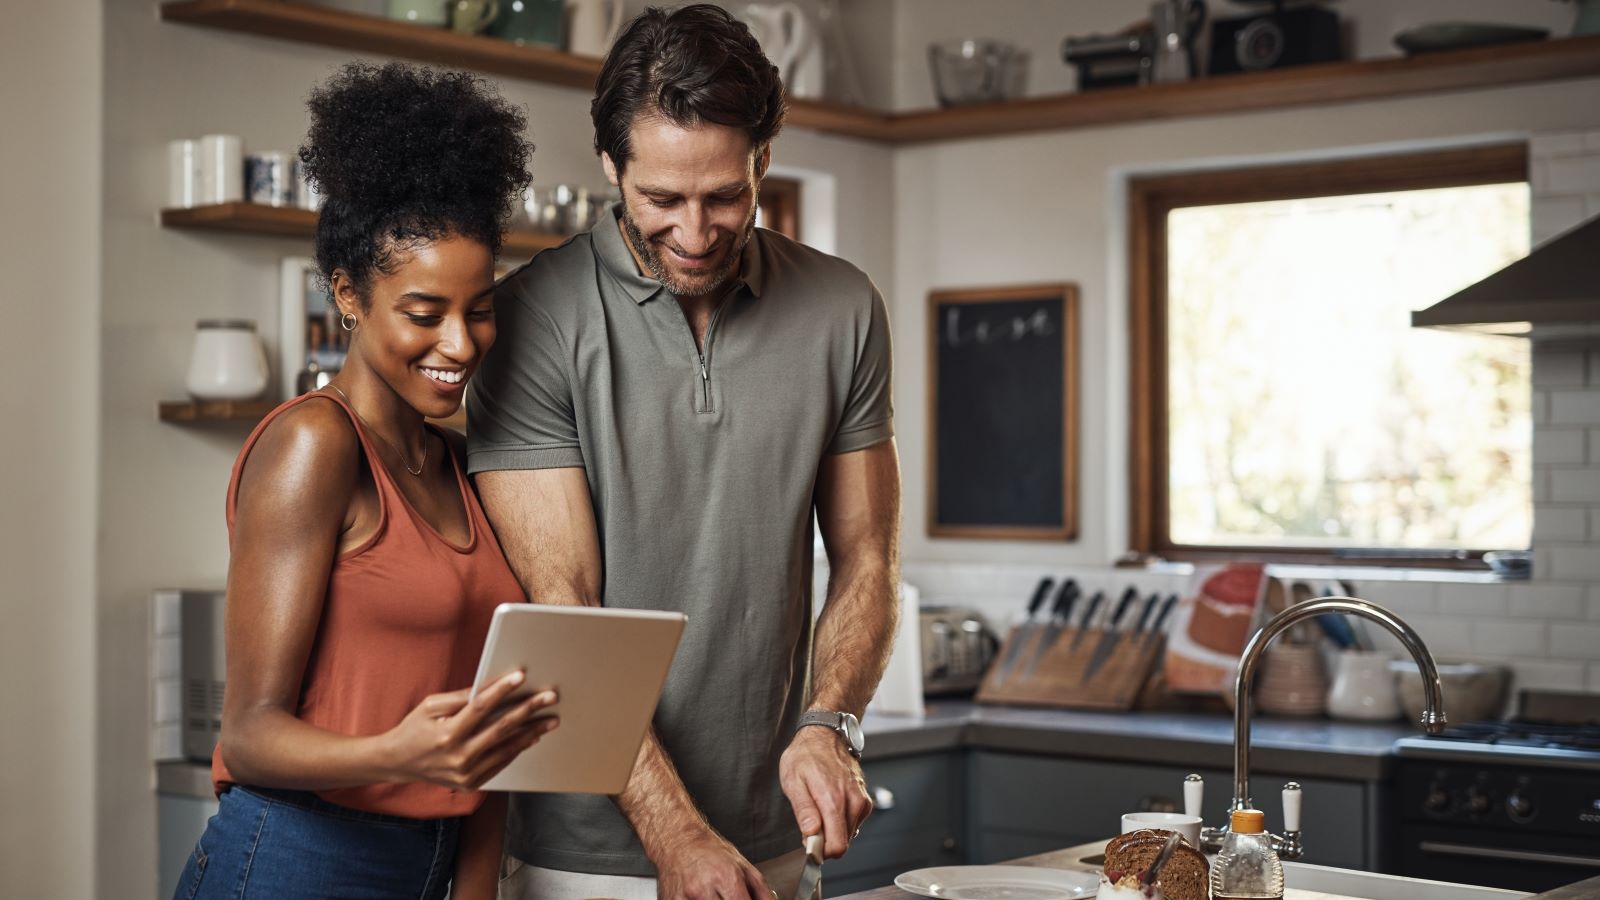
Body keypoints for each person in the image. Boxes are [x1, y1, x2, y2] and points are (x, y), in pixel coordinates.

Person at [466, 5, 903, 898]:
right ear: (611, 167)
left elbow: (868, 555)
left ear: (762, 162)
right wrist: (677, 838)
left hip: (776, 840)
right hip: (585, 857)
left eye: (724, 197)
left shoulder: (842, 308)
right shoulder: (532, 320)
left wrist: (830, 723)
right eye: (662, 199)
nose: (696, 233)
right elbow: (567, 611)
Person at [175, 62, 557, 900]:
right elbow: (249, 736)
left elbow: (484, 733)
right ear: (349, 295)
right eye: (423, 314)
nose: (458, 343)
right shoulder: (315, 445)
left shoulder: (462, 466)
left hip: (431, 865)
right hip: (293, 859)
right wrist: (401, 751)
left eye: (479, 308)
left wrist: (475, 884)